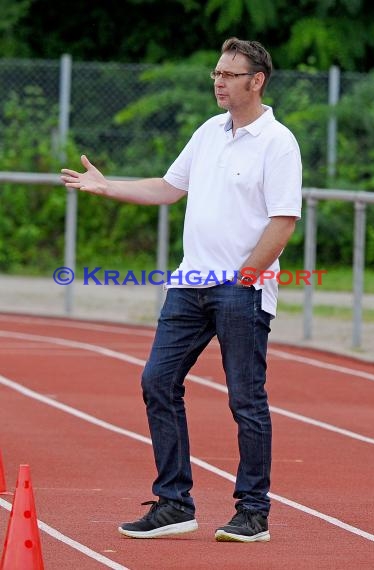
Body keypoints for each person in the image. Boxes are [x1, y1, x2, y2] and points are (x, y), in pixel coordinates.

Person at [61, 37, 302, 543]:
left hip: (242, 289)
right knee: (157, 382)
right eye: (216, 72)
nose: (217, 81)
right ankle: (174, 503)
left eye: (228, 74)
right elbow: (170, 188)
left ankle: (253, 512)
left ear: (255, 81)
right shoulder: (208, 132)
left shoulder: (279, 142)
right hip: (189, 284)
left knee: (245, 400)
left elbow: (282, 223)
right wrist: (110, 186)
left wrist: (246, 277)